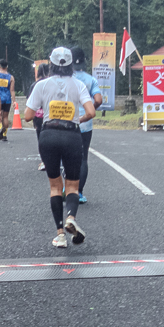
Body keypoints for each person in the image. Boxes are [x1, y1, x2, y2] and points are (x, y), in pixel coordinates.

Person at [27, 46, 96, 248]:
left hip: (48, 135)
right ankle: (71, 217)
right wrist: (77, 119)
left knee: (55, 186)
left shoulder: (42, 85)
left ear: (51, 64)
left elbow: (28, 116)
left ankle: (60, 235)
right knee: (72, 185)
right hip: (72, 135)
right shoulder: (78, 84)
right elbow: (91, 111)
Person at [70, 47, 102, 204]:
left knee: (67, 157)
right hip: (85, 124)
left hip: (67, 123)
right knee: (83, 158)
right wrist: (90, 111)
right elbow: (98, 100)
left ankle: (66, 189)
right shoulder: (91, 80)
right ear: (83, 61)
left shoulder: (66, 79)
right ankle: (80, 192)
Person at [30, 62, 49, 170]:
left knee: (40, 138)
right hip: (50, 114)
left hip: (38, 115)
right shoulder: (52, 83)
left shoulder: (35, 85)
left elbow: (30, 101)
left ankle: (44, 161)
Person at [0, 60, 16, 141]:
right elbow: (12, 90)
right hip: (7, 99)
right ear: (7, 67)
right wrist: (14, 101)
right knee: (5, 117)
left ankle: (1, 128)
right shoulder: (11, 77)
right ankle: (5, 134)